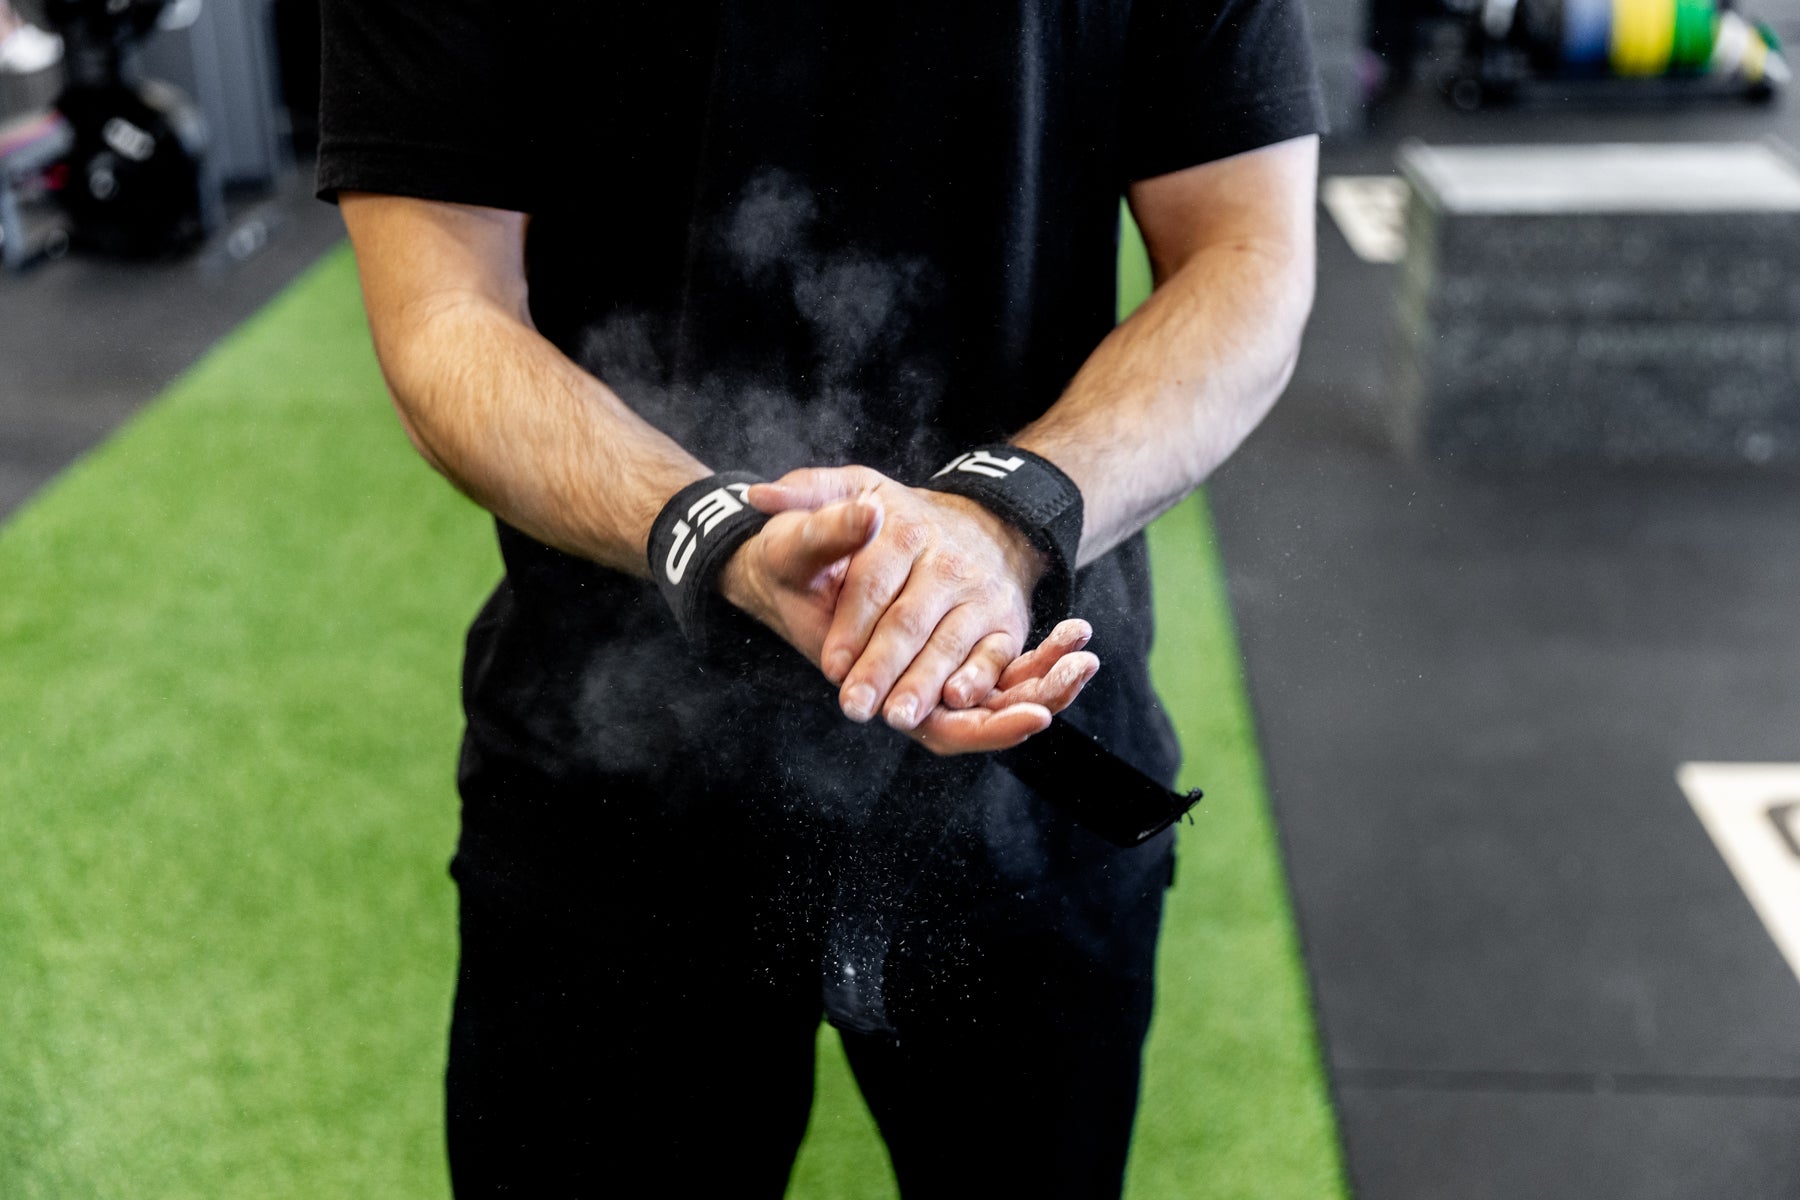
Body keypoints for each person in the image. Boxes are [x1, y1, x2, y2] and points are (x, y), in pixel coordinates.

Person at [317, 3, 1321, 1196]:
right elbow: (443, 309)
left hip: (1016, 748)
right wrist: (717, 530)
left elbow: (1247, 253)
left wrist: (1001, 522)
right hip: (616, 783)